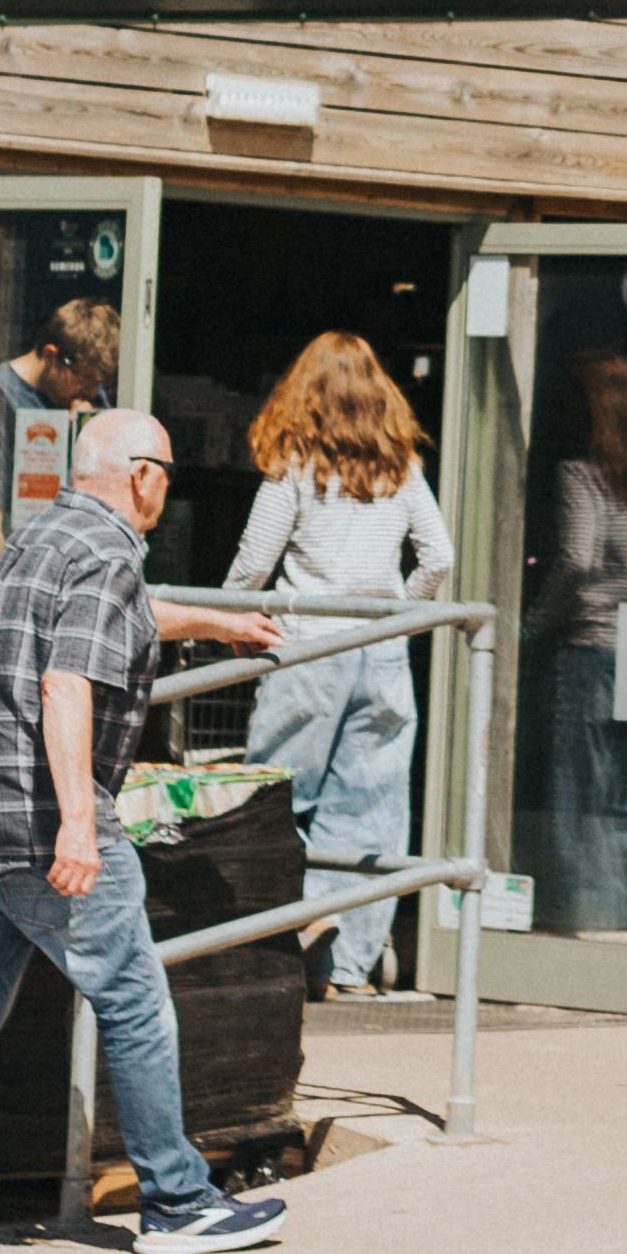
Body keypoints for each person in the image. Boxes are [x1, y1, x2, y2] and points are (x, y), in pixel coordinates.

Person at [0, 408, 286, 1254]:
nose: (169, 493)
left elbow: (124, 616)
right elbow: (67, 682)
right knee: (135, 1000)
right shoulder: (107, 553)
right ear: (143, 474)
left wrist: (218, 623)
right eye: (169, 475)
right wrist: (79, 825)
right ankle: (179, 1202)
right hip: (42, 819)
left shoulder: (47, 536)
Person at [224, 333, 455, 998]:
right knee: (371, 811)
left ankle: (292, 928)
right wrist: (399, 617)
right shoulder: (401, 465)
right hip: (380, 652)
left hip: (308, 646)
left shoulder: (295, 463)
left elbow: (251, 562)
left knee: (277, 798)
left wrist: (236, 621)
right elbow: (438, 558)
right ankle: (348, 965)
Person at [523, 348, 627, 934]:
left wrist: (532, 624)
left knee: (578, 795)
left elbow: (577, 557)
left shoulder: (581, 473)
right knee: (622, 794)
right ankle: (619, 915)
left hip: (590, 647)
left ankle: (583, 917)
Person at [0, 299, 119, 571]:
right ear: (50, 355)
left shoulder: (87, 400)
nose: (92, 392)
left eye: (99, 383)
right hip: (24, 573)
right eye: (84, 379)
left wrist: (86, 434)